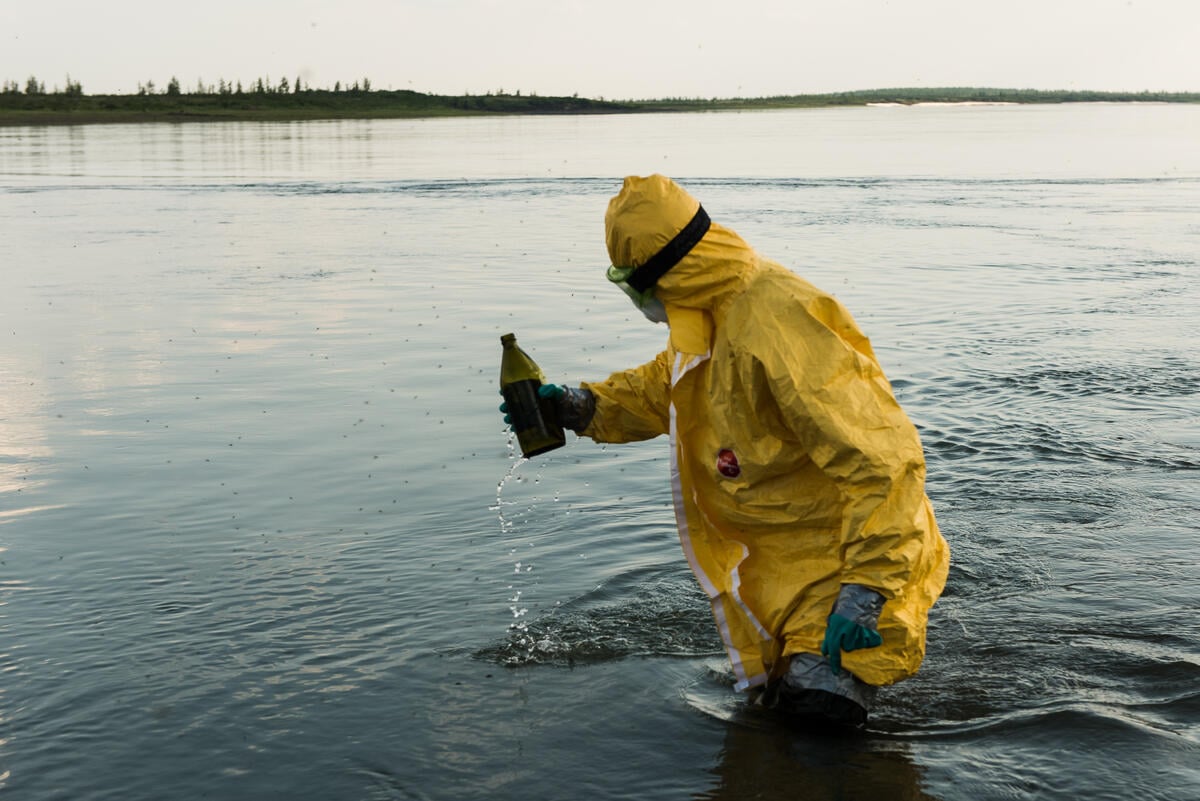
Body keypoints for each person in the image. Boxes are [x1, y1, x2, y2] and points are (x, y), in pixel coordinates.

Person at [506, 174, 949, 729]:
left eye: (633, 283)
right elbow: (669, 390)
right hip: (778, 563)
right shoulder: (708, 314)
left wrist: (868, 588)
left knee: (818, 725)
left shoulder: (782, 318)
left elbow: (881, 461)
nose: (639, 299)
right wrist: (578, 407)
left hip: (846, 561)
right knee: (776, 715)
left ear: (661, 273)